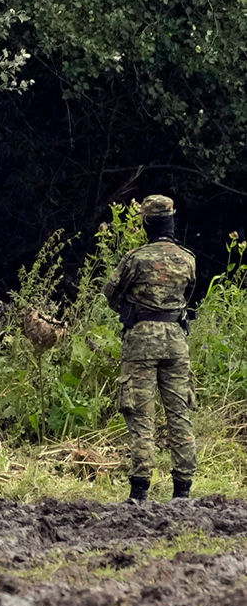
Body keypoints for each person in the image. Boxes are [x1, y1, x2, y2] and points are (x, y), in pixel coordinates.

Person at [102, 195, 197, 502]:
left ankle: (140, 490)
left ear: (146, 223)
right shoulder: (187, 258)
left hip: (141, 340)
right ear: (171, 220)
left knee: (141, 417)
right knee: (179, 414)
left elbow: (110, 292)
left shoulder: (137, 258)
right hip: (176, 341)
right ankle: (183, 489)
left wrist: (131, 308)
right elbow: (188, 294)